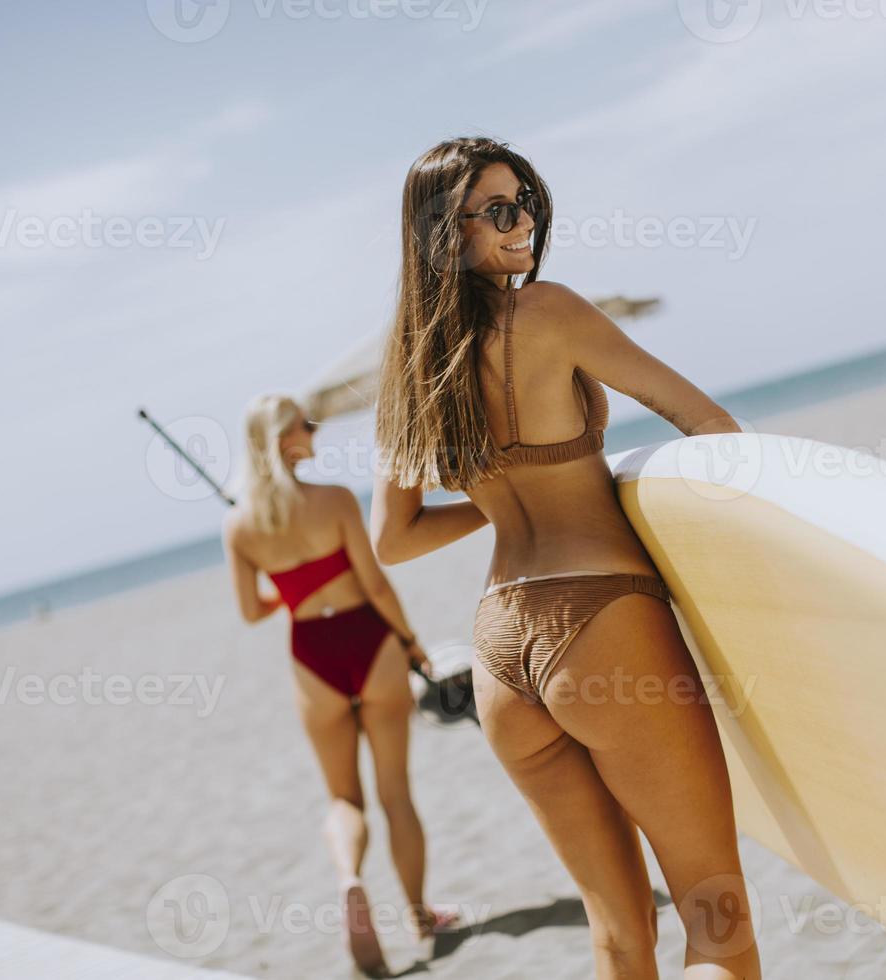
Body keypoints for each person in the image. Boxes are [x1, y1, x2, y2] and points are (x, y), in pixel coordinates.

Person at [369, 136, 761, 979]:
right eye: (499, 210)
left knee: (620, 934)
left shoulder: (409, 366)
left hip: (500, 653)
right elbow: (711, 426)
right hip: (603, 621)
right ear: (448, 232)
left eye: (529, 200)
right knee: (715, 916)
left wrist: (495, 494)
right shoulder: (546, 312)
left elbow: (393, 539)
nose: (525, 222)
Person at [222, 393, 453, 977]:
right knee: (395, 792)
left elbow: (251, 610)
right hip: (368, 643)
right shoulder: (335, 499)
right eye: (305, 424)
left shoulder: (239, 523)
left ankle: (350, 878)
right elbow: (374, 585)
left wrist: (294, 588)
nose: (314, 430)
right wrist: (411, 641)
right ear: (282, 440)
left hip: (311, 656)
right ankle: (420, 917)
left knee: (343, 799)